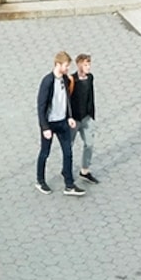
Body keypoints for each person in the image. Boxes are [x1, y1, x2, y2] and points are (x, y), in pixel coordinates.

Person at [36, 52, 86, 196]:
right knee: (45, 153)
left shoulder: (64, 79)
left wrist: (69, 116)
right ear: (58, 65)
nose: (67, 69)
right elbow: (41, 106)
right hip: (49, 124)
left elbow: (67, 99)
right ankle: (40, 180)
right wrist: (44, 127)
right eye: (66, 66)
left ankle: (69, 185)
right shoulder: (47, 81)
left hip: (62, 122)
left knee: (68, 152)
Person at [70, 53, 101, 184]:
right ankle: (66, 170)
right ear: (79, 65)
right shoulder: (72, 80)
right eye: (86, 65)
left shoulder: (90, 78)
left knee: (89, 143)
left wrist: (91, 114)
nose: (88, 67)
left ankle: (85, 170)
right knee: (69, 145)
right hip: (74, 119)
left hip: (86, 117)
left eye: (89, 64)